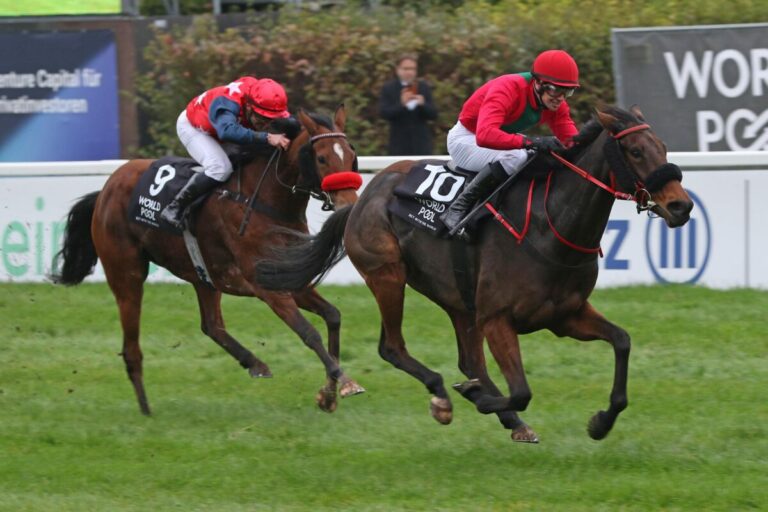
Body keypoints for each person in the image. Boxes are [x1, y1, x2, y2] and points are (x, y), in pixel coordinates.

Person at [440, 49, 580, 234]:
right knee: (517, 155)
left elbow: (573, 142)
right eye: (555, 89)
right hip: (466, 139)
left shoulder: (555, 104)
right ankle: (457, 209)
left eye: (567, 91)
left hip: (492, 140)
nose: (560, 98)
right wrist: (531, 142)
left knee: (541, 155)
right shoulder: (507, 88)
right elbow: (485, 135)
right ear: (537, 83)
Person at [159, 76, 292, 230]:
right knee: (220, 168)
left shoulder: (263, 100)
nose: (267, 124)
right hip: (194, 127)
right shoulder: (228, 102)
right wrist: (267, 137)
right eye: (262, 119)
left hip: (223, 126)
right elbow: (227, 132)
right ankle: (176, 207)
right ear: (249, 107)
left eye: (271, 119)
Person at [378, 54, 438, 156]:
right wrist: (401, 104)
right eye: (406, 69)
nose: (409, 72)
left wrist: (423, 104)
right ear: (398, 69)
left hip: (421, 144)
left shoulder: (423, 87)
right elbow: (384, 113)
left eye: (413, 69)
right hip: (398, 144)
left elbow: (434, 114)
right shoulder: (389, 88)